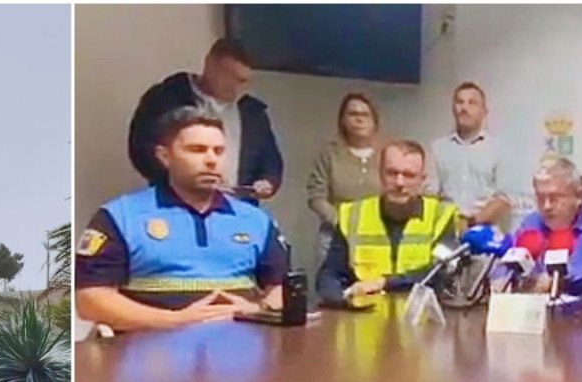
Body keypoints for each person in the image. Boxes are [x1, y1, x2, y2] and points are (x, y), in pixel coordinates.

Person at [77, 108, 286, 332]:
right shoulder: (121, 216)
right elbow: (90, 299)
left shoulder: (255, 220)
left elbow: (282, 288)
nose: (211, 160)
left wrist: (257, 310)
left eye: (218, 151)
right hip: (150, 346)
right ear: (164, 156)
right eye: (197, 150)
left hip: (241, 346)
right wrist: (173, 320)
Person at [128, 38, 283, 200]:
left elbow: (271, 162)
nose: (237, 88)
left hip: (236, 206)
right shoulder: (166, 99)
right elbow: (141, 149)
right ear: (210, 66)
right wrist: (182, 181)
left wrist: (267, 182)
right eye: (231, 77)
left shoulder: (252, 112)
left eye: (244, 81)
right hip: (176, 201)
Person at [316, 141, 459, 305]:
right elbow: (328, 275)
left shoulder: (441, 216)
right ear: (380, 175)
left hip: (421, 313)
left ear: (422, 180)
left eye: (409, 175)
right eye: (392, 173)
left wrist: (386, 283)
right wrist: (345, 297)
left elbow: (442, 272)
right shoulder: (352, 215)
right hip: (364, 314)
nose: (399, 183)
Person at [508, 156, 582, 301]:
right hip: (535, 308)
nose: (547, 206)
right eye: (540, 198)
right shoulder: (531, 223)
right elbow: (509, 263)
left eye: (555, 198)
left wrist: (560, 279)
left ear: (578, 196)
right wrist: (500, 278)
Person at [305, 93, 385, 265]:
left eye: (365, 115)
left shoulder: (386, 154)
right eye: (353, 114)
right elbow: (316, 197)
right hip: (334, 236)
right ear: (342, 120)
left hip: (377, 237)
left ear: (374, 121)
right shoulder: (329, 154)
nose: (359, 120)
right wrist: (342, 223)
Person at [428, 82, 511, 229]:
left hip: (484, 231)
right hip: (445, 229)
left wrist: (472, 222)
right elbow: (431, 195)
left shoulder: (498, 150)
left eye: (471, 103)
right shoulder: (437, 149)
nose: (464, 108)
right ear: (453, 109)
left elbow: (504, 199)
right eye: (460, 102)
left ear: (484, 111)